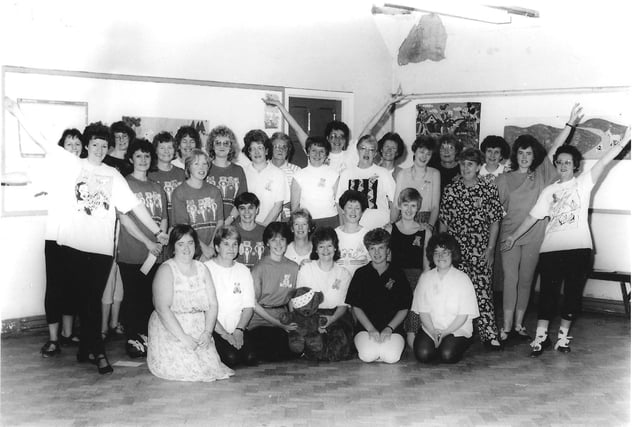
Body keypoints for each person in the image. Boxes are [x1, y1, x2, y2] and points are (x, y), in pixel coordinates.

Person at [6, 100, 169, 375]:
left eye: (105, 145)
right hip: (73, 246)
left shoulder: (113, 175)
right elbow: (44, 141)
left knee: (91, 299)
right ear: (87, 145)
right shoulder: (71, 164)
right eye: (95, 144)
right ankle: (98, 353)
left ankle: (88, 349)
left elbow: (134, 206)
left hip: (102, 249)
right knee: (87, 301)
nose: (100, 149)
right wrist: (16, 111)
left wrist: (156, 230)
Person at [502, 126, 630, 357]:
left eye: (567, 163)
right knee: (548, 296)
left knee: (572, 296)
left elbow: (603, 162)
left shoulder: (583, 184)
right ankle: (541, 338)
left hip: (579, 250)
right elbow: (532, 217)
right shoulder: (548, 191)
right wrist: (512, 237)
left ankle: (562, 338)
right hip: (551, 250)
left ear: (575, 166)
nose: (562, 166)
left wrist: (624, 142)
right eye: (559, 162)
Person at [496, 104, 584, 342]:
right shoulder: (503, 179)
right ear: (516, 155)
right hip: (510, 235)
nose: (525, 157)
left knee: (526, 281)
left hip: (536, 236)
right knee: (510, 280)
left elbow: (555, 146)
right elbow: (495, 209)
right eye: (521, 153)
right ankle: (506, 327)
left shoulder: (543, 173)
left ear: (534, 156)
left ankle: (519, 325)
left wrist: (570, 123)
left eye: (529, 154)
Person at [147, 225, 233, 381]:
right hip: (171, 328)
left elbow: (213, 304)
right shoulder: (166, 270)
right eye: (181, 244)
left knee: (210, 369)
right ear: (173, 247)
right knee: (187, 369)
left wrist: (207, 332)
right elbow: (162, 308)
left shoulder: (202, 268)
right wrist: (183, 337)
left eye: (190, 243)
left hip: (198, 328)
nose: (186, 248)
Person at [439, 147, 504, 350]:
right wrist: (443, 250)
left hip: (480, 249)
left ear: (478, 167)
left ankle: (489, 334)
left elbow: (495, 221)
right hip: (456, 251)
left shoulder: (488, 188)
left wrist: (491, 249)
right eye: (462, 164)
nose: (465, 168)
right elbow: (444, 222)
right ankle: (457, 332)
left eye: (470, 164)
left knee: (483, 292)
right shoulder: (451, 189)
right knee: (454, 293)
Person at [117, 139, 167, 358]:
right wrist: (148, 243)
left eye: (147, 156)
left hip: (156, 253)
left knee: (150, 298)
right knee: (133, 298)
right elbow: (125, 220)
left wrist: (160, 241)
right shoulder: (124, 184)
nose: (143, 160)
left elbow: (164, 218)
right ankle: (132, 340)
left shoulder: (157, 187)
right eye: (138, 156)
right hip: (133, 252)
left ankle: (147, 338)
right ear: (131, 159)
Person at [40, 128, 84, 357]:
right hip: (55, 237)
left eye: (78, 144)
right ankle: (54, 339)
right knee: (55, 288)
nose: (74, 147)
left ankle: (68, 334)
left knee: (73, 287)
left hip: (77, 238)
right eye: (70, 144)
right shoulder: (55, 168)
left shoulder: (86, 170)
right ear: (62, 147)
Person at [346, 228, 411, 364]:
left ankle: (382, 351)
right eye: (372, 248)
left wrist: (389, 328)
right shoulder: (360, 274)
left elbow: (404, 307)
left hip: (393, 329)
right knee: (368, 356)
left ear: (387, 250)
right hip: (366, 329)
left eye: (381, 248)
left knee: (392, 358)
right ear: (368, 251)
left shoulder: (398, 273)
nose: (377, 253)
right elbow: (356, 306)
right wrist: (371, 329)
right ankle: (376, 350)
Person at [412, 233, 480, 364]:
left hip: (456, 329)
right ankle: (438, 345)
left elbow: (463, 315)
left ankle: (451, 345)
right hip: (431, 328)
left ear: (452, 254)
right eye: (436, 252)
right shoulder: (425, 278)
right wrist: (432, 331)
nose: (440, 256)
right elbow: (423, 311)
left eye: (445, 252)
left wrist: (444, 333)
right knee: (423, 355)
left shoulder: (463, 279)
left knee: (447, 355)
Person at [296, 227, 354, 361]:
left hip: (337, 317)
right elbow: (300, 303)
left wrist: (330, 320)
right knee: (316, 349)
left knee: (337, 351)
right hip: (310, 316)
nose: (325, 250)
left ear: (335, 248)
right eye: (321, 246)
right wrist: (316, 323)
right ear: (316, 249)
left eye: (329, 246)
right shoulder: (306, 269)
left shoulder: (343, 273)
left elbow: (343, 306)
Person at [205, 226, 258, 367]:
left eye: (235, 244)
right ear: (217, 247)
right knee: (232, 359)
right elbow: (205, 308)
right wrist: (224, 334)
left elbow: (248, 307)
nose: (231, 248)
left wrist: (239, 330)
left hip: (237, 328)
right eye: (226, 244)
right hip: (215, 328)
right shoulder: (206, 269)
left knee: (251, 357)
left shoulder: (243, 270)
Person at [246, 222, 299, 362]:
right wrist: (278, 324)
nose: (278, 243)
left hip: (283, 317)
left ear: (287, 241)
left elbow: (291, 299)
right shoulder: (260, 268)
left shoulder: (293, 267)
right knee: (273, 345)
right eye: (273, 239)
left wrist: (293, 320)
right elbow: (253, 303)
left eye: (282, 239)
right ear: (267, 243)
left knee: (293, 350)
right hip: (260, 320)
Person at [171, 148, 224, 261]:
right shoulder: (179, 192)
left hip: (213, 250)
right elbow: (184, 228)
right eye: (196, 164)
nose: (202, 167)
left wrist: (211, 247)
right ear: (188, 167)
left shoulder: (215, 191)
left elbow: (220, 222)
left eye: (205, 164)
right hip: (190, 252)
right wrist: (203, 248)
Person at [336, 135, 396, 230]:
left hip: (380, 228)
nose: (367, 152)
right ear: (357, 150)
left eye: (371, 150)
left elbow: (395, 202)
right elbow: (339, 205)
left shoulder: (384, 173)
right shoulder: (346, 174)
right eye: (363, 148)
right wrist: (344, 227)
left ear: (375, 153)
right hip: (353, 230)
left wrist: (392, 224)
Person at [241, 129, 289, 225]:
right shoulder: (242, 172)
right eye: (252, 148)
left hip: (270, 227)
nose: (256, 152)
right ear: (248, 152)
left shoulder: (278, 174)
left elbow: (278, 206)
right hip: (246, 227)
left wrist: (263, 227)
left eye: (260, 148)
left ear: (266, 151)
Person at [291, 136, 340, 228]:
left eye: (321, 151)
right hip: (307, 221)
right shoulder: (298, 175)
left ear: (326, 154)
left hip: (330, 219)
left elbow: (338, 203)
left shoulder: (334, 174)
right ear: (307, 152)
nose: (317, 155)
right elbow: (294, 207)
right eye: (313, 151)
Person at [392, 135, 440, 228]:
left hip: (425, 222)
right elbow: (396, 206)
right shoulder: (402, 174)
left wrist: (429, 227)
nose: (424, 156)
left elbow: (435, 207)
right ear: (415, 151)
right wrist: (392, 225)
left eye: (428, 154)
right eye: (421, 152)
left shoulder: (435, 174)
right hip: (404, 220)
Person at [205, 125, 247, 225]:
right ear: (212, 146)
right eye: (218, 143)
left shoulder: (238, 171)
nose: (222, 146)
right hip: (208, 224)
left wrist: (227, 221)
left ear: (231, 146)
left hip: (232, 224)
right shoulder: (204, 168)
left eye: (226, 143)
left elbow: (242, 202)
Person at [148, 131, 184, 225]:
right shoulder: (148, 174)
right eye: (162, 148)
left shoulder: (182, 174)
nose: (166, 151)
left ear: (175, 150)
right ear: (155, 150)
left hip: (178, 225)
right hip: (156, 226)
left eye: (170, 147)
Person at [335, 190, 370, 277]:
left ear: (362, 212)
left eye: (357, 208)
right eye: (350, 207)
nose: (353, 212)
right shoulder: (333, 234)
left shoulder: (368, 235)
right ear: (343, 210)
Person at [269, 132, 300, 220]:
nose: (280, 150)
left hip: (288, 218)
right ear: (270, 149)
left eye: (284, 147)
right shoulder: (264, 168)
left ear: (288, 150)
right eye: (276, 146)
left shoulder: (296, 171)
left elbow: (301, 199)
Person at [233, 192, 266, 269]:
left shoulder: (265, 232)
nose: (246, 212)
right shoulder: (231, 231)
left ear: (257, 210)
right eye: (242, 208)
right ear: (238, 211)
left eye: (250, 208)